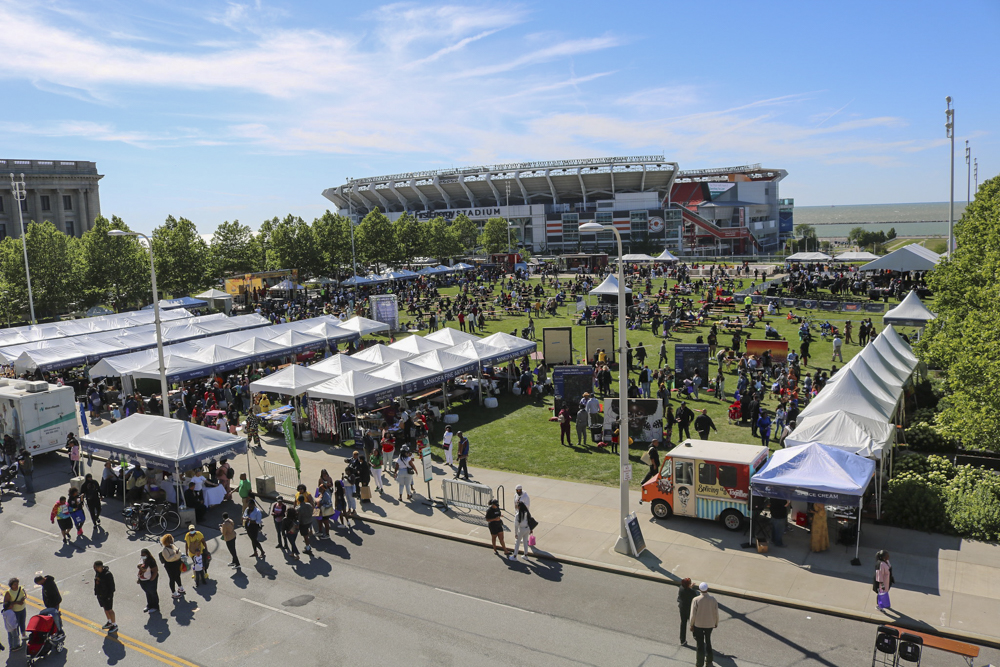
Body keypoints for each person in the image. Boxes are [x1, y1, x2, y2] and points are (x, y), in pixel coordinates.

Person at [690, 582, 719, 667]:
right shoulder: (713, 599)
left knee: (700, 644)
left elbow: (693, 614)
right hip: (709, 624)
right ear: (707, 589)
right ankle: (709, 660)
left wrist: (691, 624)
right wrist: (716, 622)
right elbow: (716, 613)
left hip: (698, 625)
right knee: (708, 641)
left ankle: (699, 663)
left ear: (700, 589)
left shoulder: (696, 600)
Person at [93, 561, 117, 632]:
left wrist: (109, 596)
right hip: (100, 594)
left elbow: (112, 587)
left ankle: (114, 625)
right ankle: (109, 622)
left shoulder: (107, 574)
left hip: (107, 595)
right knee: (105, 608)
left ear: (100, 567)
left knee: (109, 610)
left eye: (96, 567)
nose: (95, 569)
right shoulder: (98, 573)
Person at [159, 534, 185, 599]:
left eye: (171, 538)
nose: (171, 540)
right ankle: (173, 592)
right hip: (170, 565)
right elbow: (168, 559)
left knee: (178, 575)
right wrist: (175, 555)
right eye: (170, 539)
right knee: (172, 578)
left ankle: (180, 587)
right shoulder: (165, 550)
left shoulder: (173, 545)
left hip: (177, 563)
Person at [137, 549, 159, 614]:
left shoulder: (151, 561)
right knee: (147, 592)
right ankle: (149, 605)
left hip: (149, 580)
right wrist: (139, 578)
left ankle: (155, 606)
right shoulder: (142, 560)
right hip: (143, 580)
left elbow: (155, 571)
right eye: (141, 555)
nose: (142, 556)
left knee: (152, 593)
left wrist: (151, 580)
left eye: (144, 555)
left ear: (147, 554)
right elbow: (140, 570)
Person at [677, 577, 698, 646]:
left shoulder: (681, 588)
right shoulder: (691, 592)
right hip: (689, 609)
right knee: (693, 622)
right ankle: (695, 635)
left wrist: (690, 587)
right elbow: (695, 598)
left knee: (683, 623)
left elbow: (686, 590)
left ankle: (682, 640)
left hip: (682, 608)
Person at [296, 491, 315, 555]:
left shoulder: (298, 508)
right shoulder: (309, 505)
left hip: (303, 523)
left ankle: (308, 548)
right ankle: (307, 545)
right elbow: (312, 511)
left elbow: (298, 517)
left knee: (305, 536)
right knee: (306, 535)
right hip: (309, 521)